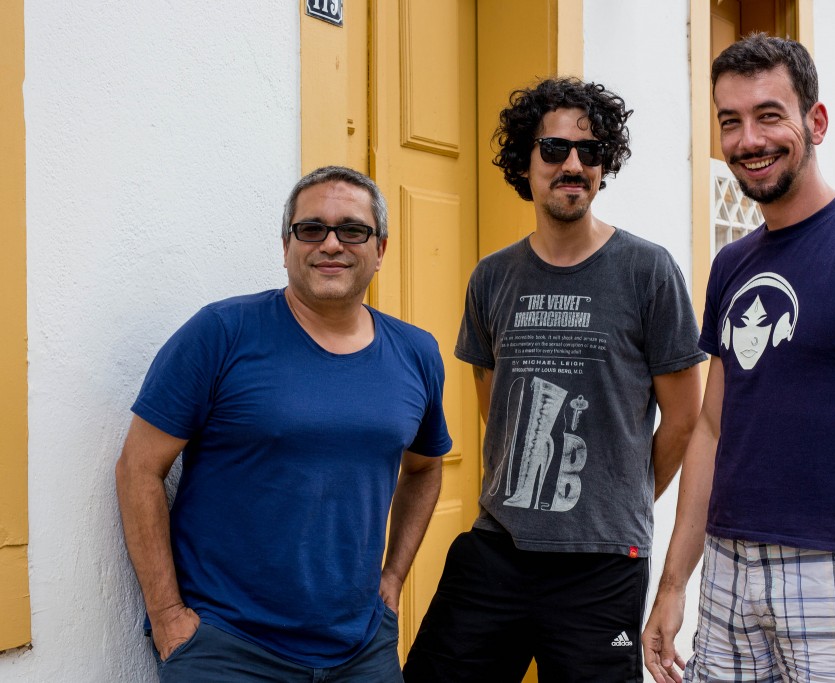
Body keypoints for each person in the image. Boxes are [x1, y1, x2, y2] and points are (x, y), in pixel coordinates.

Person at [641, 33, 835, 683]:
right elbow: (709, 428)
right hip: (729, 571)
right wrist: (674, 582)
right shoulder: (732, 264)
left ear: (815, 121)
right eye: (730, 120)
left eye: (768, 114)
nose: (747, 139)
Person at [403, 77, 706, 683]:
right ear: (525, 161)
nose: (573, 165)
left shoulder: (649, 271)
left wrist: (621, 494)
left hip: (602, 563)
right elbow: (497, 404)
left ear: (603, 166)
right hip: (497, 547)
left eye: (589, 152)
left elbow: (684, 419)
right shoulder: (492, 278)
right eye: (554, 150)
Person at [114, 166, 451, 682]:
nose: (331, 244)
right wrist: (167, 618)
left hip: (362, 652)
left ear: (380, 249)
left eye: (352, 230)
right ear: (287, 245)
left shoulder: (416, 352)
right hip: (230, 649)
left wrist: (394, 577)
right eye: (311, 228)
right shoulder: (222, 334)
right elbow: (138, 468)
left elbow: (426, 468)